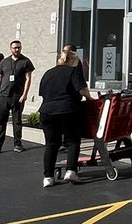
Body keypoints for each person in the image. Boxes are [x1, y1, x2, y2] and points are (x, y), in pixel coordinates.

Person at [37, 44, 92, 187]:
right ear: (72, 60)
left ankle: (48, 177)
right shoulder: (73, 71)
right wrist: (90, 98)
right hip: (67, 110)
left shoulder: (48, 73)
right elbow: (81, 89)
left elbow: (42, 93)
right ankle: (71, 171)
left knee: (51, 144)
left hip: (47, 111)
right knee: (73, 140)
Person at [0, 40, 35, 155]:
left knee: (17, 121)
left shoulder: (25, 61)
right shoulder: (4, 62)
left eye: (19, 47)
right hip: (4, 96)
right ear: (10, 49)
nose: (17, 50)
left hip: (17, 96)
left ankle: (17, 144)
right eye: (15, 48)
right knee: (1, 122)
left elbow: (28, 78)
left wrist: (25, 94)